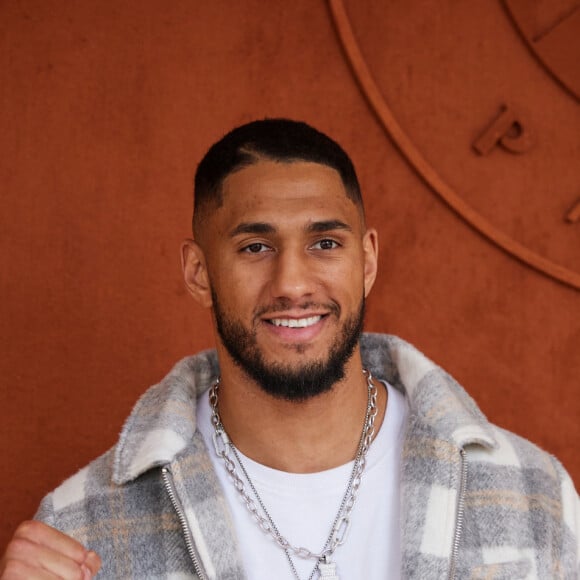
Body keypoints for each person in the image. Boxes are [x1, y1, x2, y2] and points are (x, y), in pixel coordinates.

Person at [1, 119, 578, 580]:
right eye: (255, 247)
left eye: (325, 242)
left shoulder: (535, 495)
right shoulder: (81, 530)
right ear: (199, 273)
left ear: (368, 260)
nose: (293, 284)